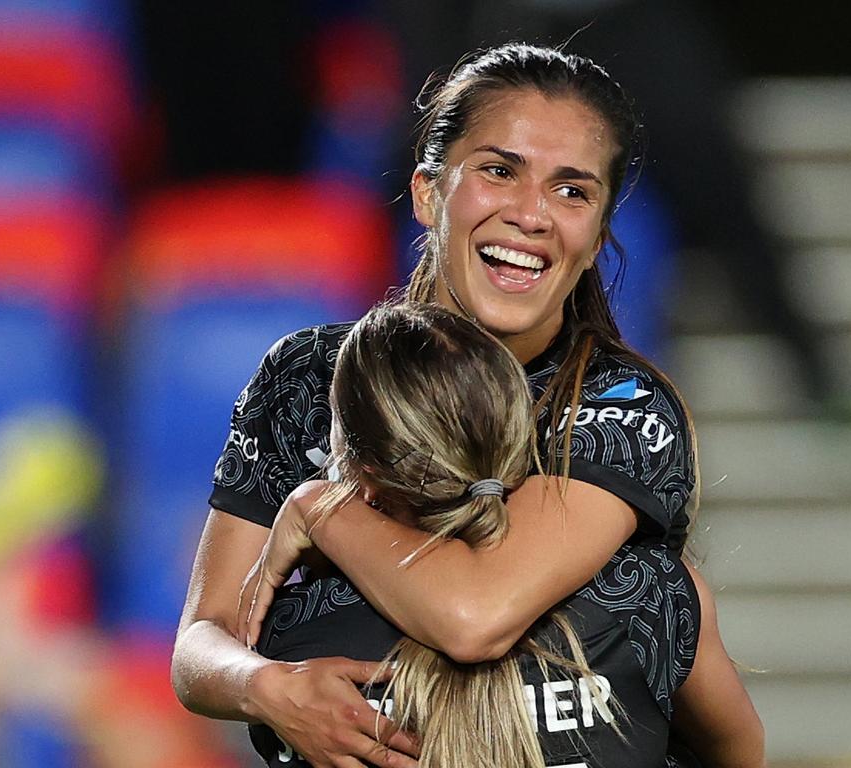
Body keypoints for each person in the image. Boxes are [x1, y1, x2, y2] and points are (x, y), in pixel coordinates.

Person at [172, 43, 763, 767]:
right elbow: (202, 641)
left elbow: (475, 617)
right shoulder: (305, 375)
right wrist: (266, 687)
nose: (532, 214)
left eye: (571, 191)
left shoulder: (620, 404)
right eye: (499, 171)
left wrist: (322, 509)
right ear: (428, 193)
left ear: (597, 235)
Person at [248, 300, 702, 768]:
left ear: (361, 476)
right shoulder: (649, 594)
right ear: (518, 445)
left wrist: (314, 505)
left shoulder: (288, 645)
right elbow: (736, 749)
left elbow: (211, 646)